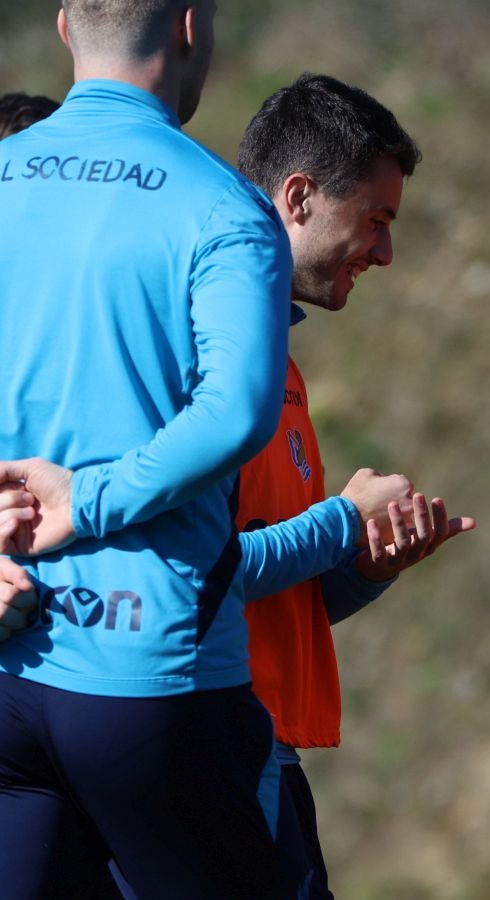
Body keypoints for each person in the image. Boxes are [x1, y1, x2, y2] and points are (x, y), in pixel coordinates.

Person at [0, 1, 300, 897]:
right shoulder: (222, 205)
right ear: (188, 26)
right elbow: (238, 413)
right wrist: (86, 502)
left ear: (62, 26)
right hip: (149, 674)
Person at [231, 72, 475, 898]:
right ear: (298, 197)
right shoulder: (204, 360)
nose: (386, 253)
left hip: (267, 748)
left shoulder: (278, 367)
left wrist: (367, 564)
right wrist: (340, 522)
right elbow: (193, 576)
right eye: (375, 221)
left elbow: (279, 587)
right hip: (214, 746)